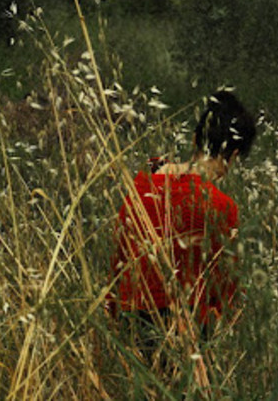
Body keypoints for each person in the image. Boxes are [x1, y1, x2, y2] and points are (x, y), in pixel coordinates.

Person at [107, 90, 256, 361]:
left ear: (195, 139)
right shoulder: (221, 207)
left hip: (128, 337)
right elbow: (226, 292)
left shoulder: (140, 186)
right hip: (184, 345)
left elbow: (118, 268)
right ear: (233, 155)